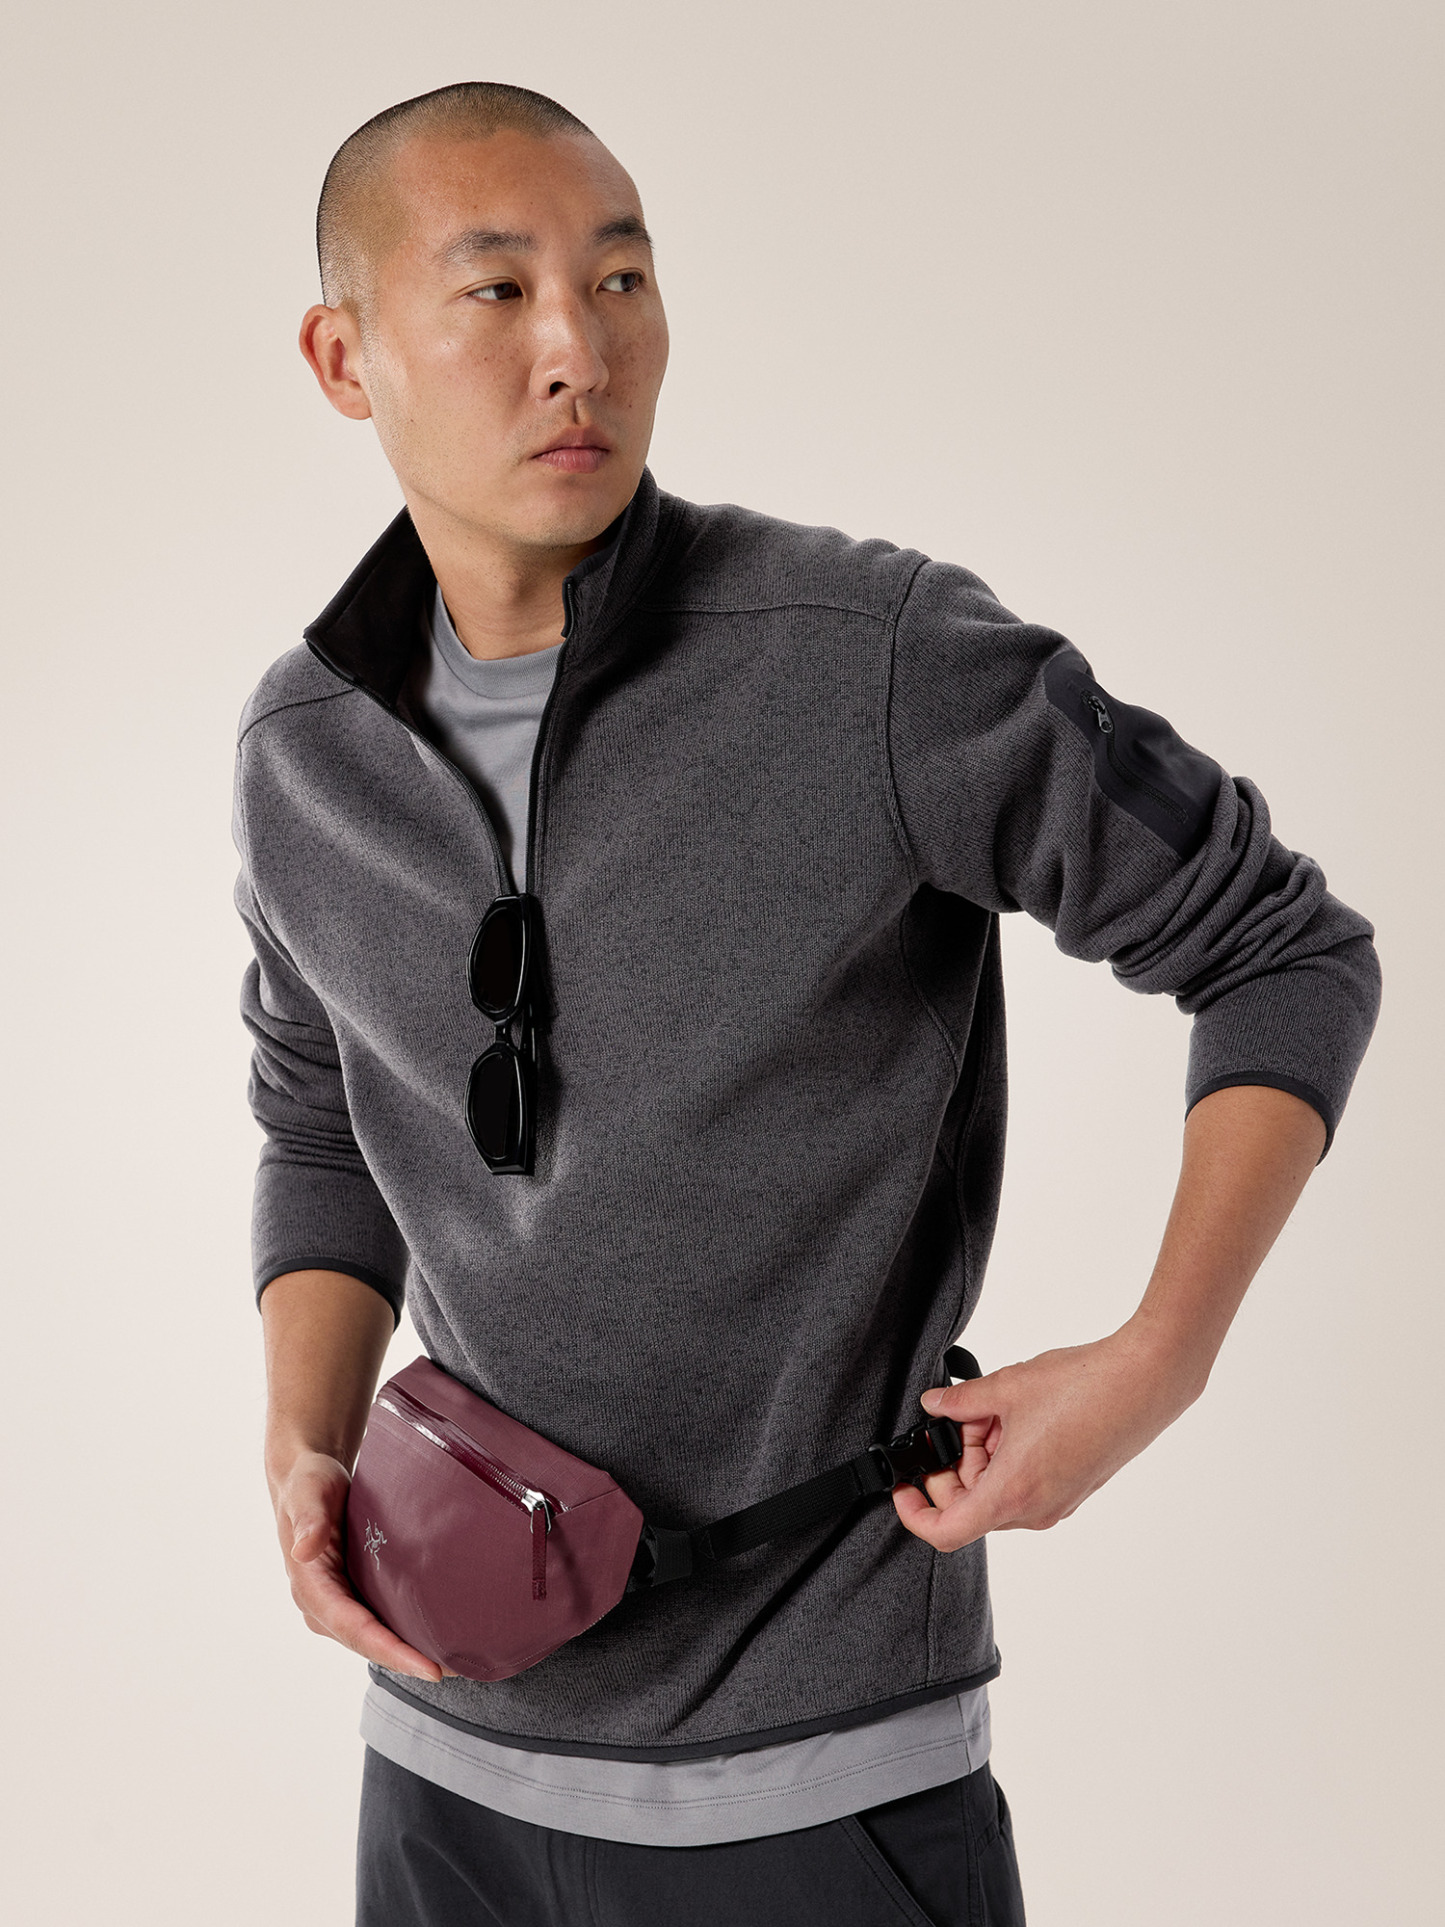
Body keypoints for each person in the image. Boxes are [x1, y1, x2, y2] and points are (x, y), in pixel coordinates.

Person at [236, 81, 1380, 1926]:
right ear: (342, 357)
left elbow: (1279, 946)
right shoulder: (302, 751)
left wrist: (1155, 1360)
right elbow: (321, 1118)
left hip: (822, 1771)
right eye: (498, 289)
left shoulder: (877, 660)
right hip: (443, 1751)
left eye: (620, 280)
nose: (577, 350)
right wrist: (303, 1436)